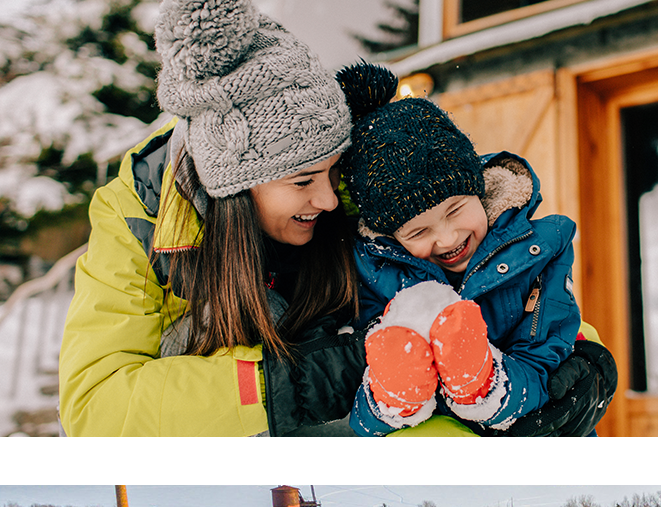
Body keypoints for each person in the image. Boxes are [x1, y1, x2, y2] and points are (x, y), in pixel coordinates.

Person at [58, 0, 613, 437]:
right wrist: (308, 379)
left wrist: (585, 361)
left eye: (331, 171)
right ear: (233, 187)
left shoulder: (359, 183)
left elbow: (496, 268)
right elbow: (96, 407)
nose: (329, 199)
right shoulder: (141, 219)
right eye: (302, 181)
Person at [333, 62, 616, 436]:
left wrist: (489, 386)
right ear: (391, 238)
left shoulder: (538, 253)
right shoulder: (371, 273)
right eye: (419, 231)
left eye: (455, 210)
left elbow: (547, 354)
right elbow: (356, 385)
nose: (448, 238)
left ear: (478, 192)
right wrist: (387, 398)